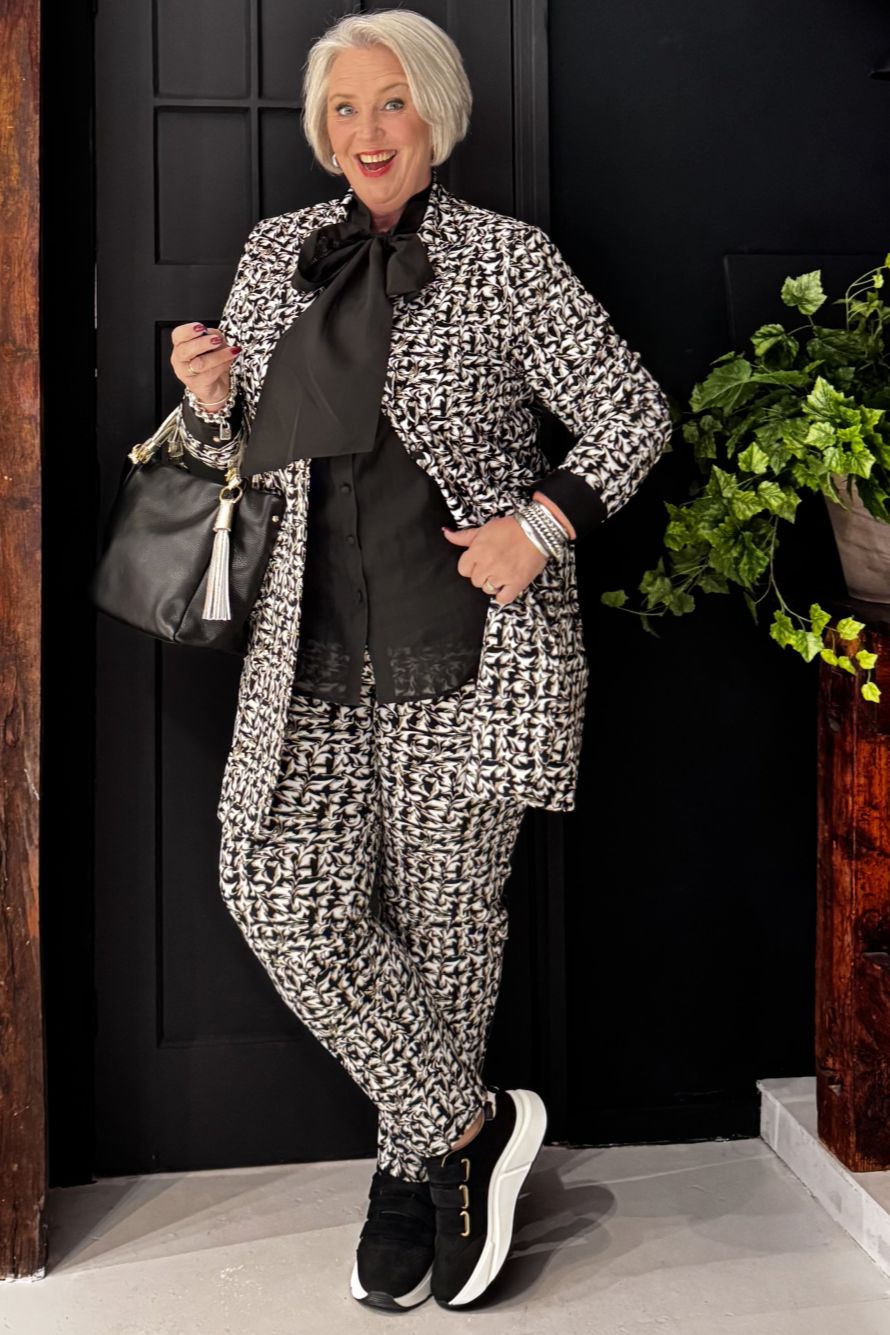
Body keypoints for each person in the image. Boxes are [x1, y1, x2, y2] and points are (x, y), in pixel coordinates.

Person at [168, 7, 672, 1314]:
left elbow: (630, 408)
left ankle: (410, 1179)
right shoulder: (276, 251)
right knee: (275, 893)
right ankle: (464, 1126)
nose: (367, 131)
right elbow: (239, 467)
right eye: (343, 108)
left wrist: (537, 526)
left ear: (434, 112)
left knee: (447, 927)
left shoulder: (508, 260)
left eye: (389, 102)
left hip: (467, 654)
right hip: (309, 660)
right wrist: (209, 401)